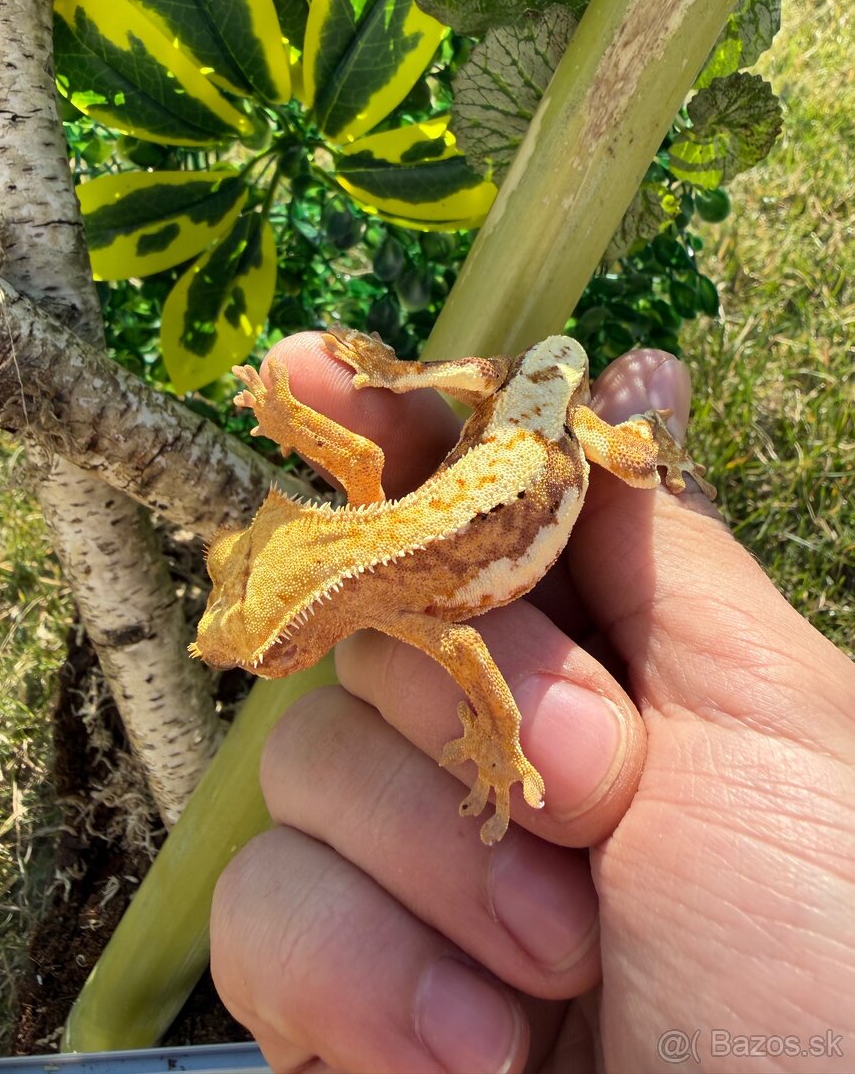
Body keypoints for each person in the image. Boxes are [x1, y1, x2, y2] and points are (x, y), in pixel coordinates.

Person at [210, 333, 855, 1073]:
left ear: (299, 644)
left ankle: (647, 439)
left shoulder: (393, 600)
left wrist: (501, 742)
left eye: (269, 656)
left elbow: (468, 650)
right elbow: (360, 466)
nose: (270, 667)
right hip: (507, 417)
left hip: (556, 434)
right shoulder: (374, 549)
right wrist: (344, 398)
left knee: (636, 463)